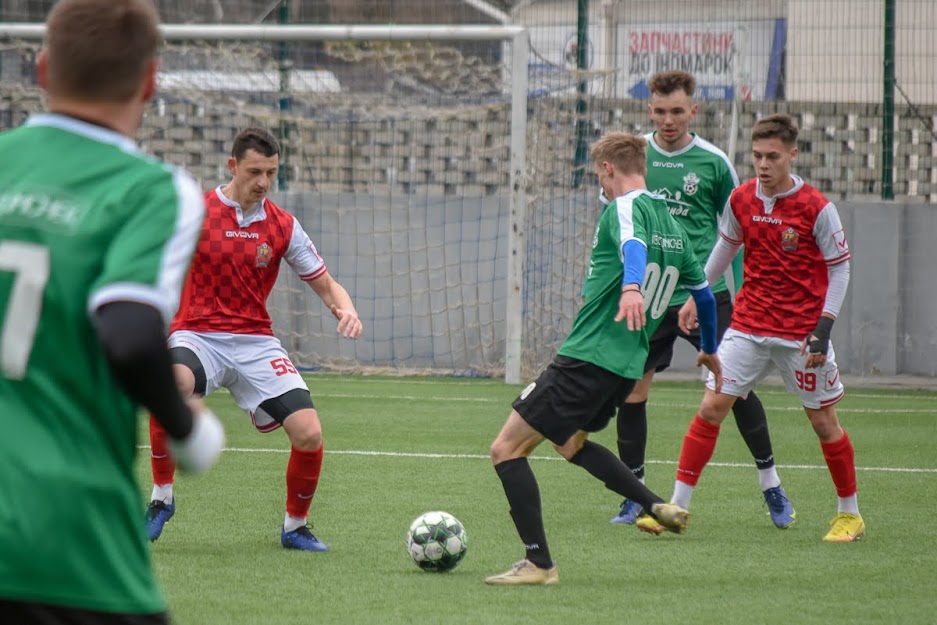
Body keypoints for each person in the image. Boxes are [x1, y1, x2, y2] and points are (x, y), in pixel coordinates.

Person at [0, 1, 225, 623]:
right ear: (149, 81)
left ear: (43, 70)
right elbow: (127, 333)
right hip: (67, 546)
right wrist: (187, 428)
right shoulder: (151, 189)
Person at [485, 132, 723, 586]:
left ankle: (539, 564)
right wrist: (709, 348)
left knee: (504, 450)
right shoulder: (674, 225)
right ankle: (655, 504)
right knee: (569, 443)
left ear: (609, 169)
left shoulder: (625, 207)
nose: (602, 185)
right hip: (625, 368)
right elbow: (705, 296)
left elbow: (633, 246)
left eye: (600, 176)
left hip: (587, 357)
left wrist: (632, 286)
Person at [145, 126, 363, 552]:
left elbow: (328, 284)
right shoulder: (195, 211)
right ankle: (161, 499)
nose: (263, 182)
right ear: (232, 166)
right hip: (197, 335)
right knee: (173, 384)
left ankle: (295, 527)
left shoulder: (282, 225)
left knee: (309, 433)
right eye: (255, 172)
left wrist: (346, 308)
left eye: (272, 173)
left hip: (255, 342)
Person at [655, 113, 863, 542]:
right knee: (712, 406)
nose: (763, 165)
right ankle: (676, 507)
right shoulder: (742, 199)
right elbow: (726, 246)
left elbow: (840, 272)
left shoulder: (817, 208)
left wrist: (822, 329)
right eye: (757, 157)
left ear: (793, 154)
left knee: (824, 422)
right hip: (749, 326)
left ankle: (849, 514)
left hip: (800, 335)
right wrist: (700, 294)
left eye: (772, 157)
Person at [608, 70, 794, 532]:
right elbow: (619, 224)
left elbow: (737, 232)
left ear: (694, 110)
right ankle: (635, 497)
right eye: (660, 110)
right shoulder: (635, 158)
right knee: (634, 391)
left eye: (678, 111)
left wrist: (742, 291)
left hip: (704, 295)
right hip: (649, 297)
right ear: (648, 109)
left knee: (733, 387)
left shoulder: (713, 163)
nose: (668, 120)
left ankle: (770, 482)